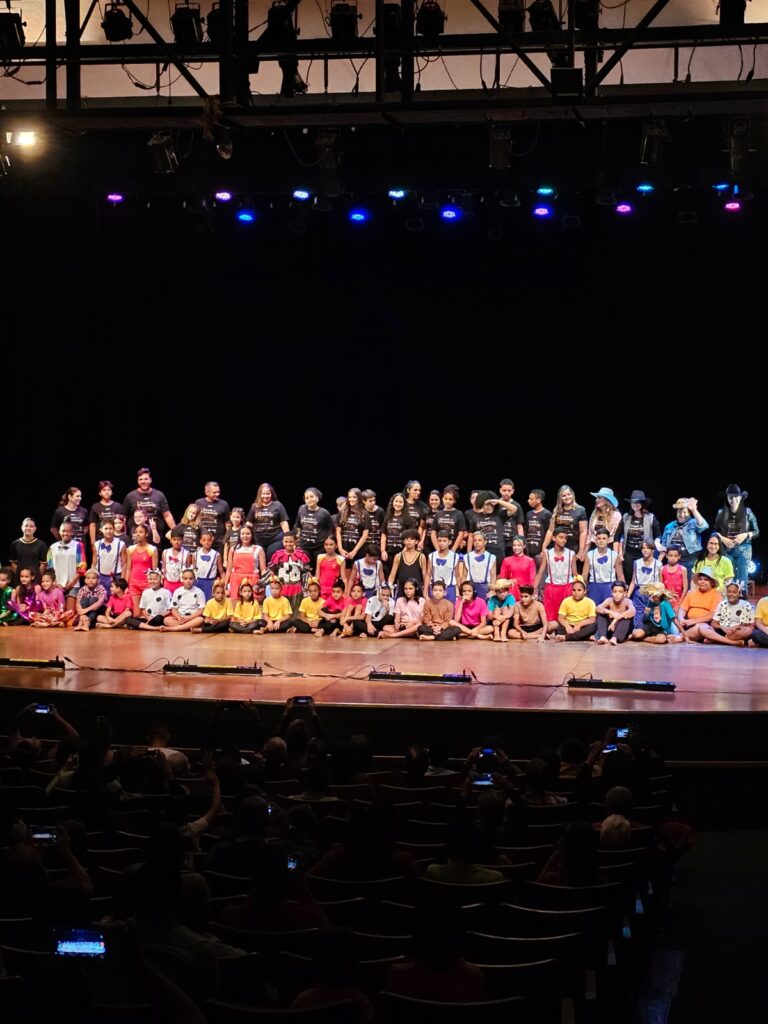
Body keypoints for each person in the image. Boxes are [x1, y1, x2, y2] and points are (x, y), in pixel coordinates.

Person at [712, 484, 759, 595]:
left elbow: (757, 531)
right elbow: (714, 532)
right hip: (727, 549)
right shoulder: (721, 512)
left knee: (742, 578)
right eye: (730, 497)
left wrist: (746, 534)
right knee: (729, 578)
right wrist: (722, 538)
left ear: (740, 497)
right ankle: (730, 599)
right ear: (727, 498)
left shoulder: (748, 512)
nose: (733, 500)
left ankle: (742, 598)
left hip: (744, 549)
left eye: (736, 497)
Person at [617, 490, 661, 584]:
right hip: (629, 553)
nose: (635, 504)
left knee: (643, 579)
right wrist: (619, 554)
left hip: (644, 553)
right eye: (633, 502)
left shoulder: (650, 517)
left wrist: (656, 544)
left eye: (637, 502)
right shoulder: (626, 517)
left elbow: (658, 535)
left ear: (642, 503)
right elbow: (617, 536)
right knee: (630, 579)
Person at [535, 527, 577, 625]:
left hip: (567, 588)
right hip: (551, 589)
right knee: (551, 618)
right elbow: (540, 572)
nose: (564, 540)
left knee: (567, 617)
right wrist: (534, 589)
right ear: (554, 538)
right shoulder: (547, 553)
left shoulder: (571, 554)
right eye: (561, 537)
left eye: (565, 538)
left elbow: (575, 574)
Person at [659, 498, 708, 575]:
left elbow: (703, 526)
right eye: (679, 512)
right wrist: (659, 560)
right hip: (673, 561)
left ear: (689, 513)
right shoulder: (669, 526)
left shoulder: (693, 522)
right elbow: (664, 545)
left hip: (689, 561)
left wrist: (694, 510)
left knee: (688, 582)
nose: (682, 515)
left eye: (685, 512)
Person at [47, 519, 87, 614]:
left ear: (72, 532)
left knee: (69, 614)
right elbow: (50, 568)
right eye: (63, 531)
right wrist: (55, 582)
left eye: (68, 531)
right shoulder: (52, 547)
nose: (65, 533)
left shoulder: (78, 546)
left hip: (73, 584)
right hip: (57, 585)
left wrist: (70, 585)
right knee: (57, 613)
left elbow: (82, 568)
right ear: (59, 532)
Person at [697, 581, 754, 646]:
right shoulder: (722, 604)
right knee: (702, 628)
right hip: (722, 630)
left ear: (739, 594)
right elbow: (713, 623)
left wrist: (737, 627)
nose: (731, 594)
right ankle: (732, 642)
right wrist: (722, 627)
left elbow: (752, 626)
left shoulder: (746, 605)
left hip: (736, 632)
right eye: (729, 592)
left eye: (734, 592)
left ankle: (717, 640)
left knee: (748, 631)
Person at [541, 484, 587, 562]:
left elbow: (583, 532)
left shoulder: (580, 510)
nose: (567, 497)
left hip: (574, 547)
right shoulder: (557, 511)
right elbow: (550, 530)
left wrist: (581, 550)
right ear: (560, 498)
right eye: (564, 495)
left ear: (572, 495)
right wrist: (544, 546)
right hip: (558, 547)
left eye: (569, 494)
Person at [122, 467, 176, 533]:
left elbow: (167, 515)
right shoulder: (130, 496)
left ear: (150, 480)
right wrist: (122, 535)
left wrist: (175, 532)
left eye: (146, 479)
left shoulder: (159, 495)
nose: (143, 482)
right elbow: (123, 517)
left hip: (155, 534)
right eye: (141, 479)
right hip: (136, 534)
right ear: (138, 481)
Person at [677, 568, 723, 642]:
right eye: (700, 579)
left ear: (712, 582)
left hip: (706, 623)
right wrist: (681, 619)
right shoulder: (692, 593)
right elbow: (682, 608)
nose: (702, 582)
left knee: (701, 627)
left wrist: (694, 621)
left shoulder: (716, 595)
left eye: (706, 580)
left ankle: (681, 637)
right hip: (688, 623)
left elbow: (712, 614)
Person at [269, 531, 310, 611]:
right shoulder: (278, 555)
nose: (288, 544)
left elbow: (306, 572)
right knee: (282, 610)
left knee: (295, 609)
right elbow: (271, 570)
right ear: (282, 542)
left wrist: (305, 586)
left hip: (296, 587)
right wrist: (267, 582)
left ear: (295, 542)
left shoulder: (300, 555)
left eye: (291, 542)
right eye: (286, 541)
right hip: (282, 587)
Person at [293, 487, 333, 569]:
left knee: (319, 570)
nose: (309, 499)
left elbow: (330, 529)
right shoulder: (301, 511)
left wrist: (328, 543)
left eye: (312, 497)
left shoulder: (324, 513)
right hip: (304, 547)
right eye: (307, 498)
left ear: (317, 498)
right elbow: (298, 527)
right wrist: (296, 542)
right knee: (306, 570)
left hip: (319, 548)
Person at [224, 522, 266, 599]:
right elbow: (229, 569)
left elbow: (263, 570)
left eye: (248, 534)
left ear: (252, 535)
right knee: (235, 604)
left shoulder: (259, 549)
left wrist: (263, 584)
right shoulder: (233, 549)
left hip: (253, 581)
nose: (245, 536)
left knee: (252, 604)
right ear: (239, 535)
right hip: (235, 581)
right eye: (243, 534)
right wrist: (225, 585)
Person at [584, 525, 624, 605]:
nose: (601, 541)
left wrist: (624, 591)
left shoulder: (614, 555)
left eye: (604, 538)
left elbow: (620, 575)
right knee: (594, 609)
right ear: (596, 540)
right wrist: (584, 590)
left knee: (609, 609)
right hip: (594, 586)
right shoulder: (590, 554)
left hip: (609, 586)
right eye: (599, 538)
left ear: (608, 540)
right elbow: (584, 576)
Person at [628, 540, 663, 628]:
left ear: (653, 550)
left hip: (652, 593)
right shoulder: (637, 563)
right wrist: (627, 595)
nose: (645, 550)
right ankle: (637, 629)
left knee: (650, 614)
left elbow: (660, 583)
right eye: (643, 548)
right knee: (638, 613)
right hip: (639, 592)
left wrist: (658, 596)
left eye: (647, 548)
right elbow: (633, 581)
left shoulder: (658, 564)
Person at [125, 523, 159, 614]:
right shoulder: (130, 549)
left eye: (141, 532)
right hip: (133, 584)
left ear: (146, 534)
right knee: (136, 613)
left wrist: (153, 584)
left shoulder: (152, 549)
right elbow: (128, 568)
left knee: (147, 612)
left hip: (147, 583)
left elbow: (154, 570)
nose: (138, 534)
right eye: (136, 532)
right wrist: (126, 584)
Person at [552, 576, 597, 641]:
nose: (576, 592)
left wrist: (579, 625)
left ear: (585, 591)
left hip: (582, 627)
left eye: (579, 590)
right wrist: (567, 626)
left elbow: (592, 619)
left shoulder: (590, 602)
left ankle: (566, 637)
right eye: (574, 590)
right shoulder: (566, 601)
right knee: (558, 630)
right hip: (569, 626)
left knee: (593, 627)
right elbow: (560, 618)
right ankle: (583, 637)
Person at [427, 529, 465, 603]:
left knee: (450, 609)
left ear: (449, 542)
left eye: (444, 541)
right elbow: (428, 574)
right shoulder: (432, 556)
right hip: (435, 588)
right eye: (440, 541)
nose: (442, 543)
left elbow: (457, 575)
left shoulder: (455, 556)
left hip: (450, 588)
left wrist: (460, 591)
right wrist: (425, 590)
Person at [336, 488, 371, 566]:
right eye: (350, 497)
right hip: (343, 550)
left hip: (358, 551)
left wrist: (354, 551)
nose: (351, 499)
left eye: (354, 497)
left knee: (356, 573)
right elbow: (338, 532)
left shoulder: (365, 514)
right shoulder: (342, 513)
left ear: (359, 498)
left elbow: (365, 535)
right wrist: (340, 549)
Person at [92, 518, 127, 593]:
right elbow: (94, 563)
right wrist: (93, 577)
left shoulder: (121, 544)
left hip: (116, 577)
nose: (108, 531)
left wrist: (122, 579)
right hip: (101, 577)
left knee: (114, 598)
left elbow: (124, 564)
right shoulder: (97, 544)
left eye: (110, 528)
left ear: (114, 529)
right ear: (101, 529)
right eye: (106, 528)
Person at [388, 528, 428, 595]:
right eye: (406, 539)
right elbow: (392, 575)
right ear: (403, 541)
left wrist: (425, 591)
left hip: (417, 592)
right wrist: (389, 587)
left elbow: (425, 576)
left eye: (412, 539)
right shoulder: (398, 556)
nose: (409, 541)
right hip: (401, 591)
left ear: (416, 541)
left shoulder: (421, 557)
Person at [88, 480, 125, 550]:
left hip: (115, 538)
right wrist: (92, 542)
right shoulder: (95, 507)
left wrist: (123, 537)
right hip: (100, 538)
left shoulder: (118, 506)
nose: (106, 492)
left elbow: (123, 524)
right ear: (100, 493)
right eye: (104, 490)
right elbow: (92, 525)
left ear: (112, 492)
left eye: (108, 490)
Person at [194, 481, 230, 551]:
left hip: (218, 542)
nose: (217, 494)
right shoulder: (198, 502)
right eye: (214, 492)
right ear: (207, 492)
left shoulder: (224, 504)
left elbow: (227, 523)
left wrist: (227, 538)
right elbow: (194, 520)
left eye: (218, 492)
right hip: (202, 541)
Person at [462, 529, 496, 601]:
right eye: (475, 540)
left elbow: (493, 576)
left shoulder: (491, 557)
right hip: (470, 588)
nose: (477, 542)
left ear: (485, 542)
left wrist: (492, 590)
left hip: (485, 588)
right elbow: (464, 575)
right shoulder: (467, 557)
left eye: (480, 540)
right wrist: (462, 590)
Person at [381, 492, 415, 565]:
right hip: (388, 552)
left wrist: (405, 550)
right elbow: (384, 534)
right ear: (392, 502)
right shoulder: (387, 517)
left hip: (403, 551)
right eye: (396, 501)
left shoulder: (408, 519)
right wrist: (383, 551)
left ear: (404, 504)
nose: (398, 504)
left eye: (400, 502)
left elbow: (411, 537)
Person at [499, 535, 536, 601]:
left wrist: (532, 593)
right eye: (514, 545)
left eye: (519, 545)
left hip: (525, 594)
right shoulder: (506, 560)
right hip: (510, 594)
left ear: (524, 546)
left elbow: (532, 580)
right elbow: (502, 579)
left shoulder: (530, 561)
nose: (516, 548)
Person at [430, 484, 466, 553]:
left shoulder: (459, 514)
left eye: (450, 499)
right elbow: (433, 533)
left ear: (454, 501)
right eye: (445, 499)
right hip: (440, 549)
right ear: (442, 499)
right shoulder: (438, 514)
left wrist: (453, 550)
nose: (447, 501)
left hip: (454, 550)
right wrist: (438, 549)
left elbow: (461, 534)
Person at [193, 530, 224, 601]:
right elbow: (193, 570)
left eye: (209, 540)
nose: (206, 542)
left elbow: (221, 572)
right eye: (204, 540)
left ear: (212, 541)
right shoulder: (195, 554)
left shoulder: (216, 554)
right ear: (200, 541)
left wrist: (225, 586)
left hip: (211, 582)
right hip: (198, 582)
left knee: (209, 602)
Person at [498, 478, 525, 555]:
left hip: (512, 541)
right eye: (504, 490)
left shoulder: (517, 506)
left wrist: (521, 541)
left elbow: (519, 525)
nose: (506, 493)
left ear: (512, 491)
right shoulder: (496, 504)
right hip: (499, 540)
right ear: (500, 490)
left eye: (509, 490)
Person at [525, 488, 551, 565]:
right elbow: (526, 531)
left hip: (540, 552)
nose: (528, 501)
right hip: (528, 551)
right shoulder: (528, 514)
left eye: (531, 499)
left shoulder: (547, 514)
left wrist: (544, 549)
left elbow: (549, 532)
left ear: (538, 500)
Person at [316, 535, 347, 599]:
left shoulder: (341, 559)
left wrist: (345, 592)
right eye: (326, 545)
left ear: (336, 546)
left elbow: (344, 578)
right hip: (321, 589)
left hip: (334, 591)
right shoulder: (320, 557)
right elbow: (317, 576)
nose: (328, 547)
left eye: (331, 545)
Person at [661, 545, 688, 611]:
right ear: (666, 556)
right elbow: (660, 587)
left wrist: (679, 603)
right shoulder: (662, 569)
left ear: (679, 556)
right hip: (666, 601)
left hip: (679, 601)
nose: (673, 558)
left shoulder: (683, 569)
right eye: (670, 555)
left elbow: (685, 588)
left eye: (675, 556)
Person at [162, 528, 189, 594]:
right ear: (170, 540)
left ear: (182, 540)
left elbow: (188, 571)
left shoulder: (186, 553)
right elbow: (163, 568)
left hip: (180, 584)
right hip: (167, 583)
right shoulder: (165, 552)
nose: (176, 542)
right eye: (174, 539)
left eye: (179, 539)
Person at [403, 480, 428, 545]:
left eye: (419, 490)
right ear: (408, 490)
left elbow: (423, 527)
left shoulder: (423, 506)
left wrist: (418, 541)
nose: (418, 492)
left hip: (415, 540)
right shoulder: (402, 503)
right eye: (415, 490)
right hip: (402, 538)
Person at [362, 489, 385, 554]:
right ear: (364, 501)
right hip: (363, 546)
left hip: (376, 546)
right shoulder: (361, 511)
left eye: (374, 500)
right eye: (370, 501)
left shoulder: (380, 511)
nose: (373, 503)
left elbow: (384, 530)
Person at [423, 489, 443, 555]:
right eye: (432, 500)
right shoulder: (425, 512)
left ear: (440, 500)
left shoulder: (443, 512)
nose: (434, 502)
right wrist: (421, 541)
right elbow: (424, 528)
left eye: (436, 500)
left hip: (440, 542)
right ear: (429, 500)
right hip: (427, 542)